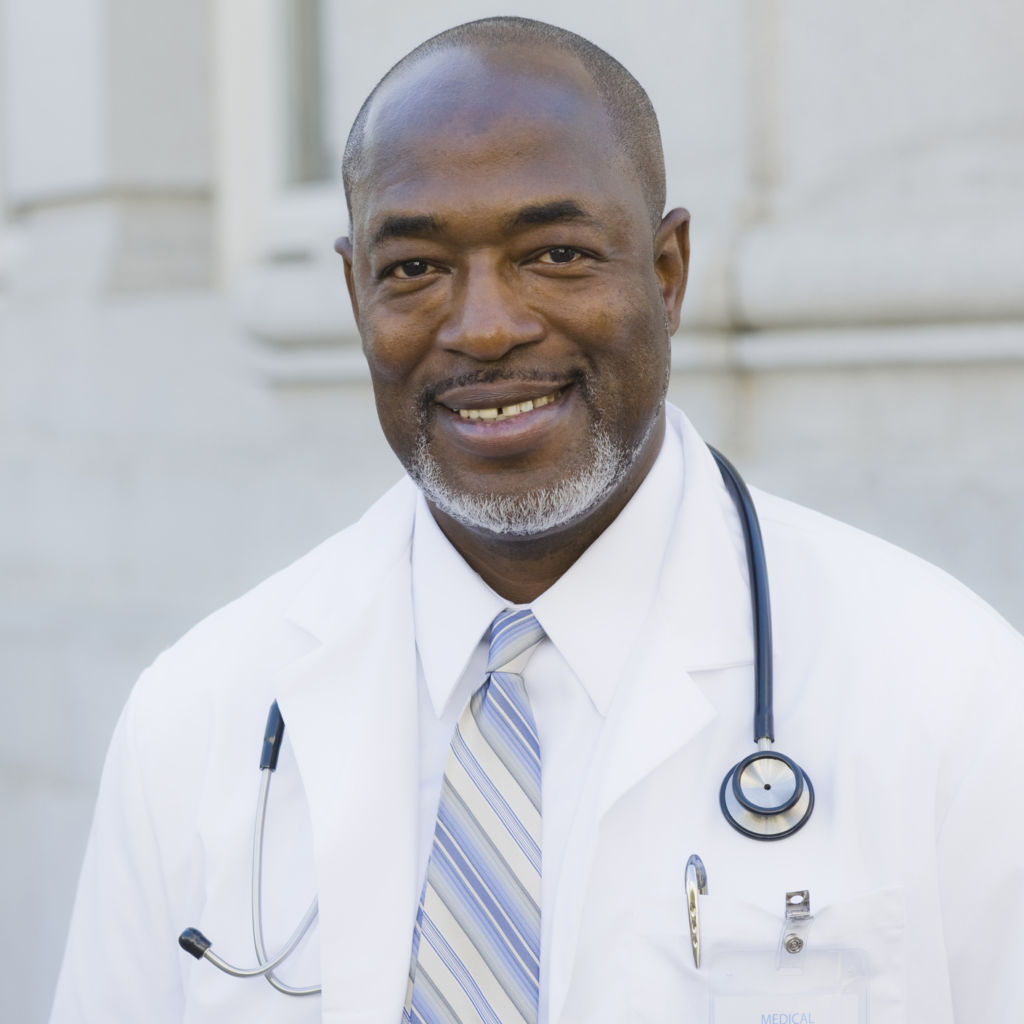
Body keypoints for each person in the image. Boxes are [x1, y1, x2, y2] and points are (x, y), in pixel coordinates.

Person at [52, 16, 1023, 1024]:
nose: (484, 327)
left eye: (555, 254)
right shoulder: (195, 714)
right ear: (353, 293)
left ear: (667, 271)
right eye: (415, 269)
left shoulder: (946, 689)